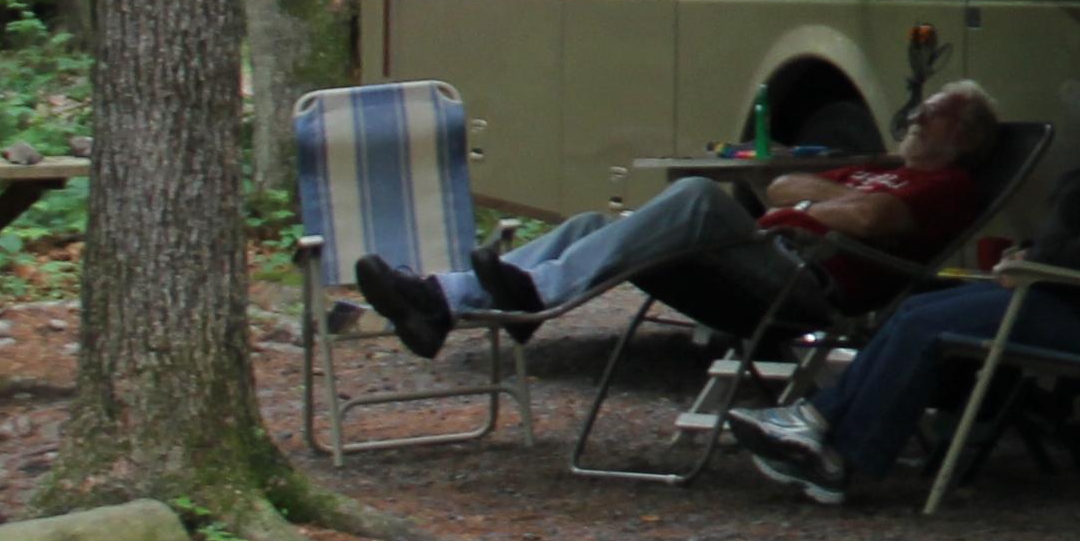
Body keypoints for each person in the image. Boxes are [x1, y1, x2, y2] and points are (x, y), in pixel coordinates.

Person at [724, 34, 1080, 505]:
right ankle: (820, 435)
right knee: (916, 307)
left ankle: (834, 448)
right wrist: (1030, 252)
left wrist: (1036, 263)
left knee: (923, 321)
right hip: (1066, 294)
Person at [350, 82, 1001, 359]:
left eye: (935, 110)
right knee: (583, 225)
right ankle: (442, 298)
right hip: (773, 256)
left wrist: (810, 209)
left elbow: (876, 218)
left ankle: (532, 296)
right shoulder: (878, 167)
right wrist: (812, 203)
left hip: (808, 288)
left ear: (965, 134)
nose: (917, 114)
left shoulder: (949, 184)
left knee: (695, 196)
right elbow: (780, 181)